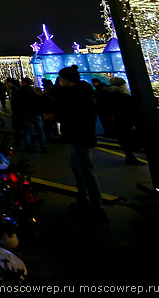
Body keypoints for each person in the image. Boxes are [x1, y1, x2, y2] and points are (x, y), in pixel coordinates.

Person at [53, 65, 107, 224]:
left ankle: (97, 206)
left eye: (61, 79)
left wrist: (58, 116)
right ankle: (84, 198)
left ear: (66, 80)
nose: (59, 82)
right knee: (77, 166)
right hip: (78, 135)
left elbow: (72, 115)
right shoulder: (80, 93)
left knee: (85, 168)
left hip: (79, 135)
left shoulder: (77, 96)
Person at [103, 77, 145, 165]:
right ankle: (131, 158)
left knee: (124, 140)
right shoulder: (123, 96)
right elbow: (129, 109)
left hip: (118, 121)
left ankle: (129, 157)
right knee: (129, 139)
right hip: (126, 121)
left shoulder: (109, 94)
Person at [15, 77, 47, 152]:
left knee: (27, 131)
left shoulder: (20, 91)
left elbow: (18, 103)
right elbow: (40, 100)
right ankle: (44, 146)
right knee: (40, 130)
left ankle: (28, 146)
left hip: (26, 114)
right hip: (36, 113)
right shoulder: (34, 91)